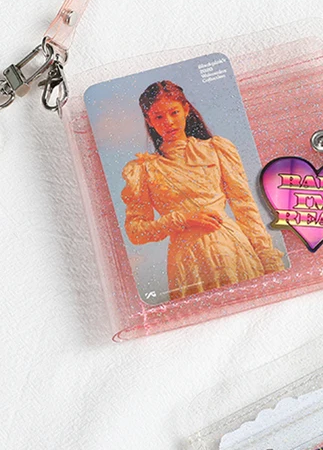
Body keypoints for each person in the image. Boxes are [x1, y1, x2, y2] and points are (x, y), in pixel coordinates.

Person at [120, 80, 286, 300]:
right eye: (158, 117)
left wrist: (268, 258)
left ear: (186, 109)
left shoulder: (216, 149)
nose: (168, 122)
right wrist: (182, 219)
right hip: (187, 264)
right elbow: (135, 231)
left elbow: (245, 207)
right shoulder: (142, 170)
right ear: (149, 121)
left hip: (232, 249)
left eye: (174, 112)